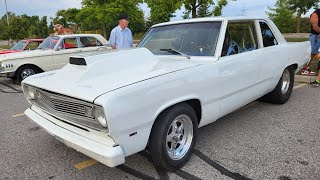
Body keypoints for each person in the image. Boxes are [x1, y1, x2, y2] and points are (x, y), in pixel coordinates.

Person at [303, 9, 320, 76]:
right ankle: (305, 69)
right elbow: (315, 26)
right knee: (311, 53)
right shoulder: (315, 14)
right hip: (315, 37)